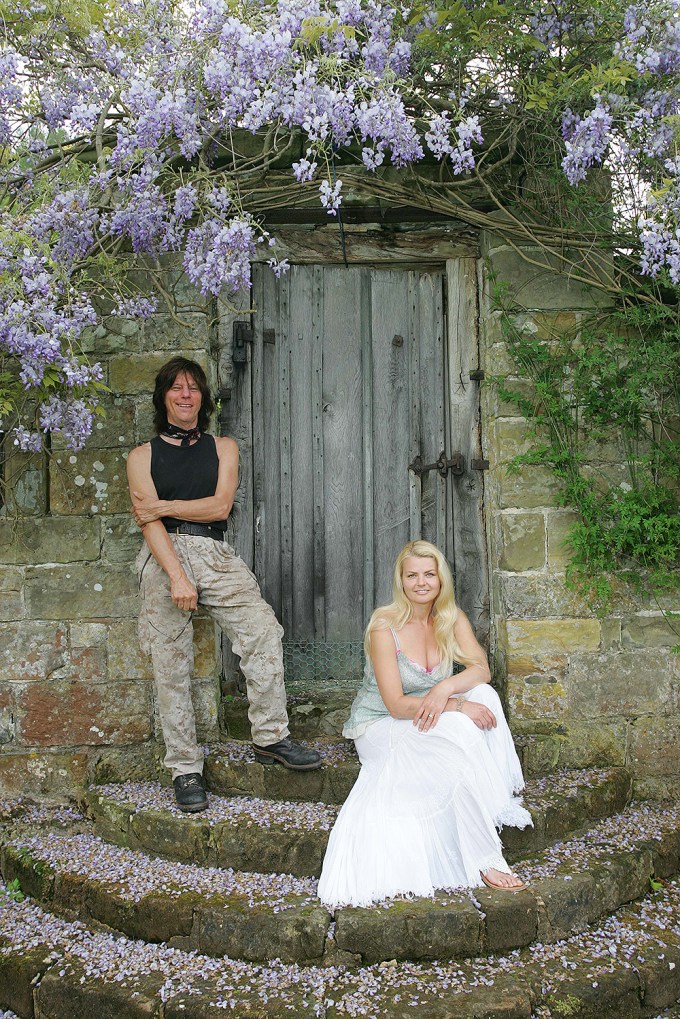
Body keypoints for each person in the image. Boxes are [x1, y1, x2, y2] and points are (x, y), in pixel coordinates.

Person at [126, 356, 321, 813]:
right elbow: (147, 522)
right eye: (177, 387)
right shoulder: (140, 457)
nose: (186, 394)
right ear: (164, 397)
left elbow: (218, 508)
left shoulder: (224, 448)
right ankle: (185, 768)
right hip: (162, 557)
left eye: (193, 387)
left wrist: (164, 504)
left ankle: (270, 736)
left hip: (213, 552)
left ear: (203, 398)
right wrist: (175, 574)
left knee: (262, 630)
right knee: (169, 661)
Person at [317, 540, 530, 906]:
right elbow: (397, 705)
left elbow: (482, 670)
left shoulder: (451, 618)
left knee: (487, 697)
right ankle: (486, 858)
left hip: (432, 709)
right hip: (382, 724)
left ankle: (491, 798)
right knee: (463, 725)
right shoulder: (384, 626)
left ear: (440, 579)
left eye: (429, 574)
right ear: (400, 580)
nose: (421, 582)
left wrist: (446, 689)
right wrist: (457, 706)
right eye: (412, 575)